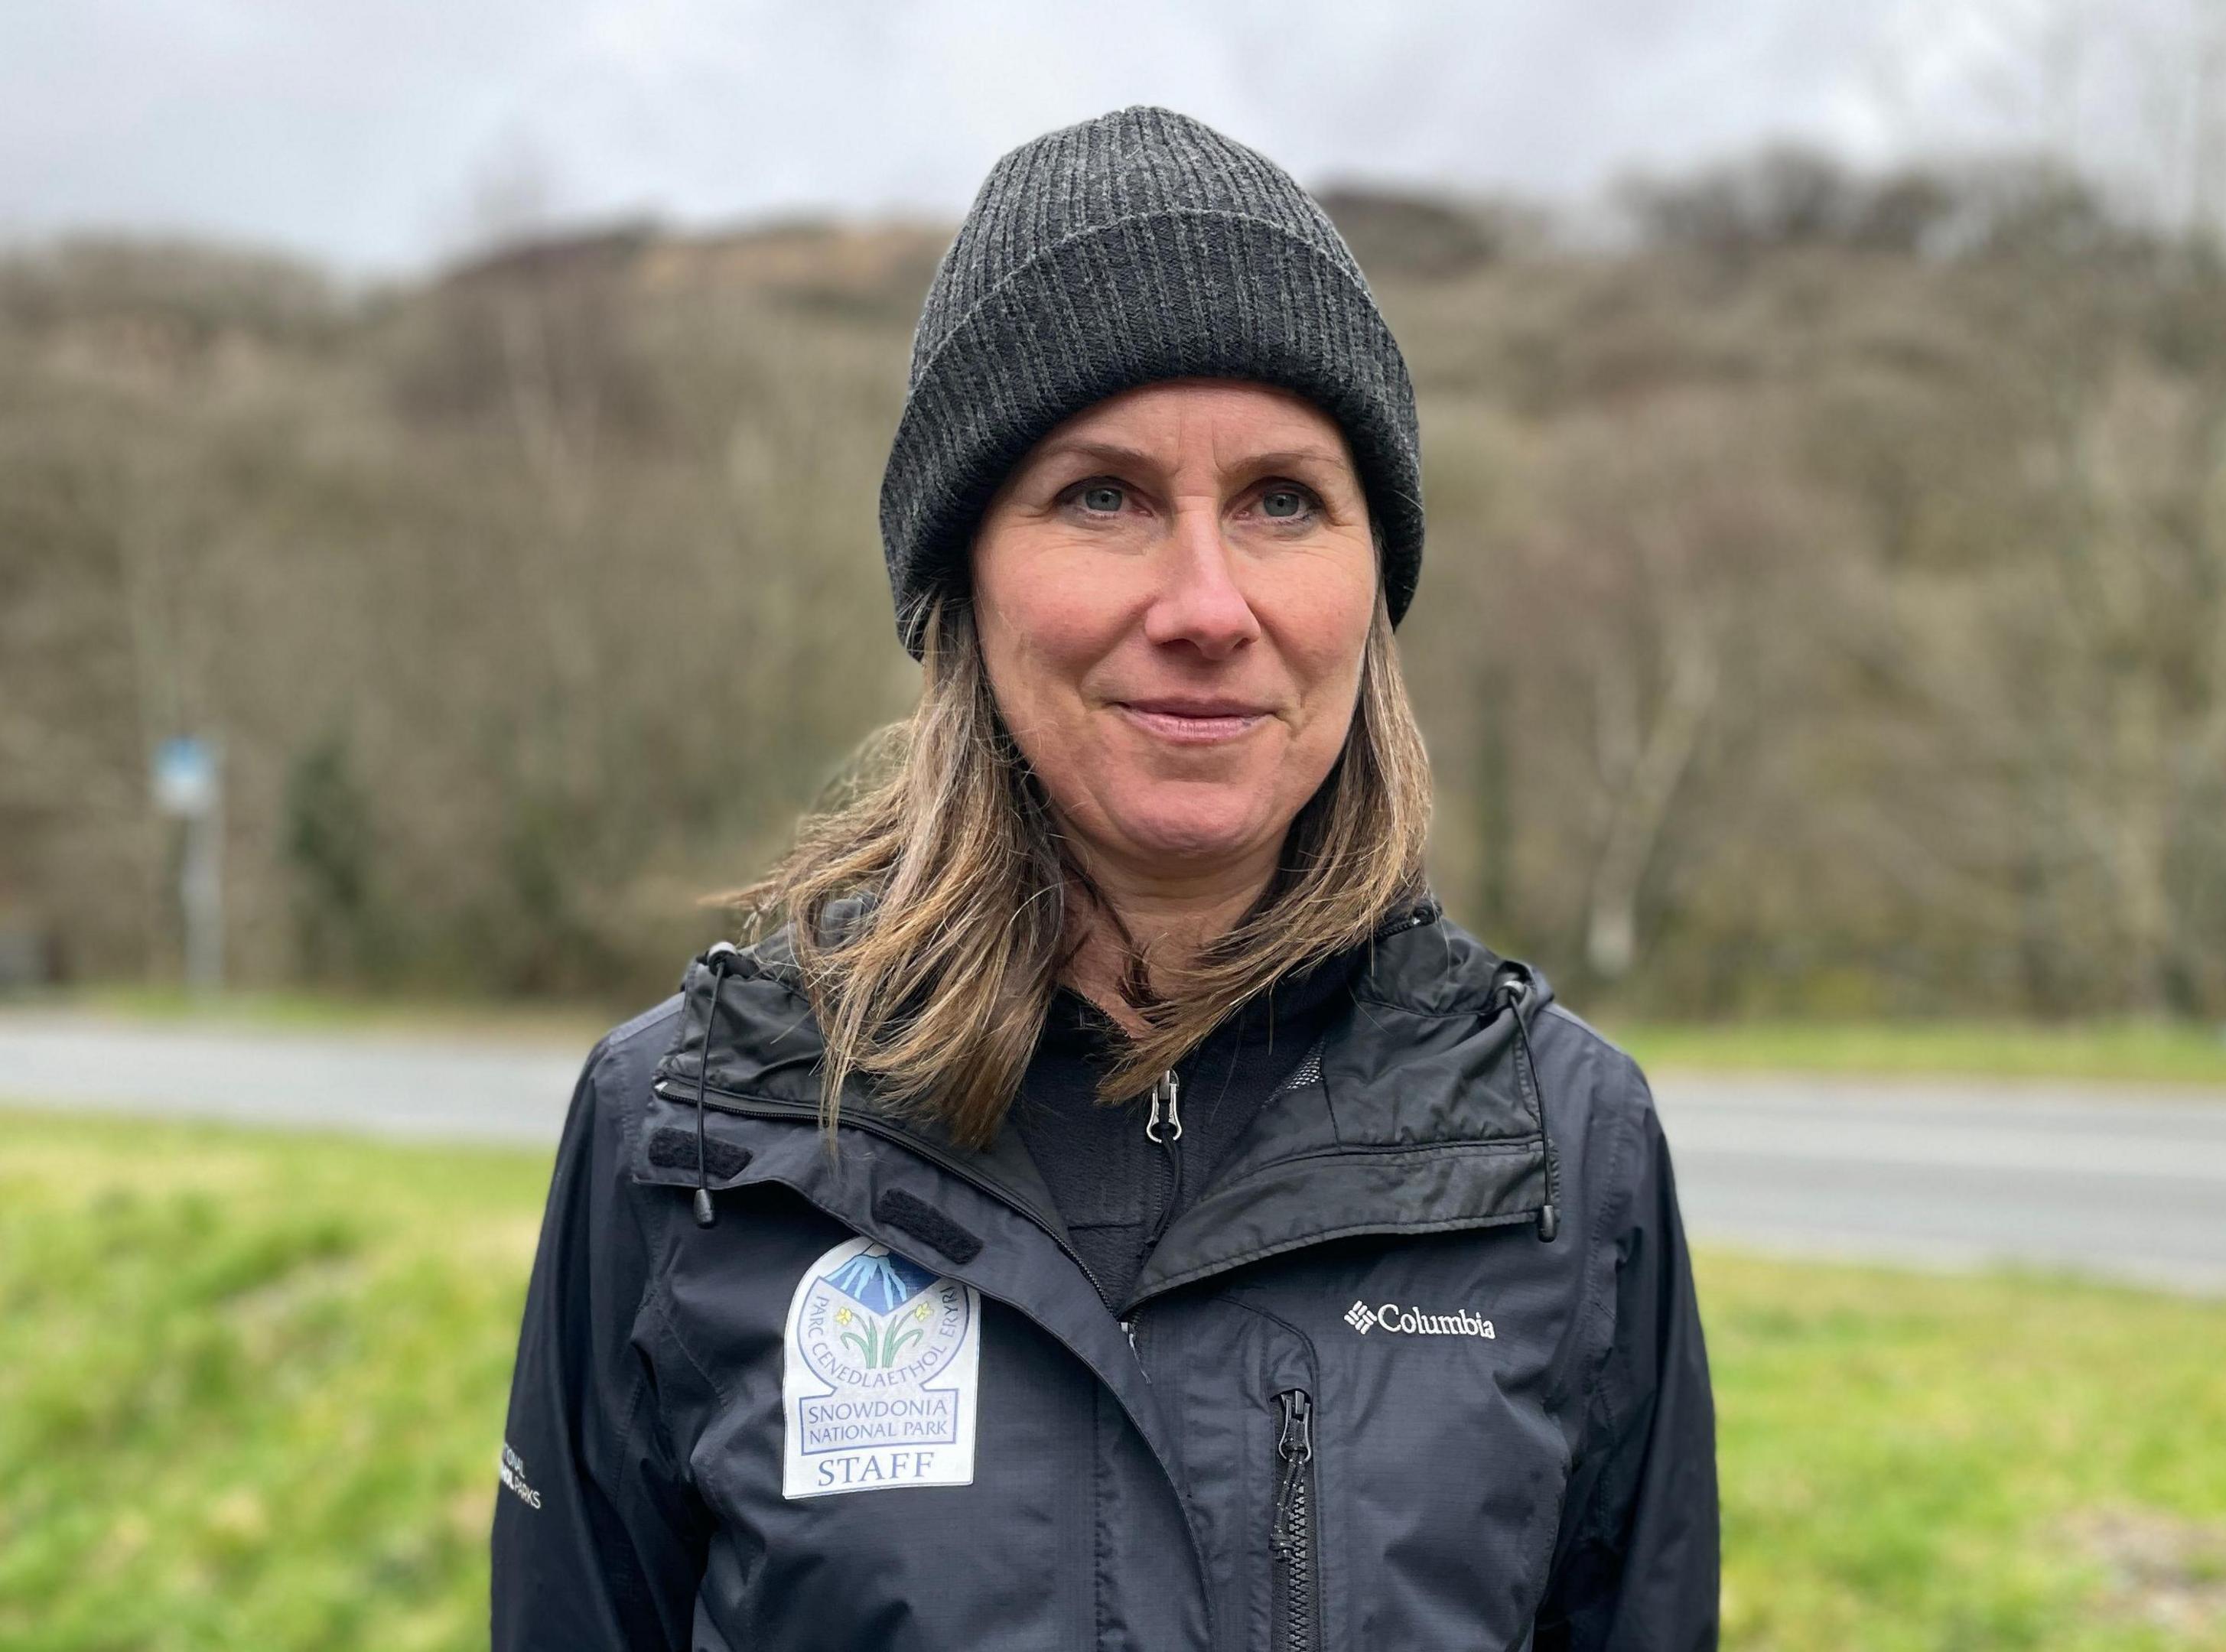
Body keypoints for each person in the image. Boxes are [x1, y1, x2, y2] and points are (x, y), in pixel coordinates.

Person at [488, 105, 1719, 1650]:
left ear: (1373, 583)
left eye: (1283, 498)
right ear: (963, 581)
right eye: (1102, 496)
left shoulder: (1565, 1150)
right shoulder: (684, 1142)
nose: (1207, 604)